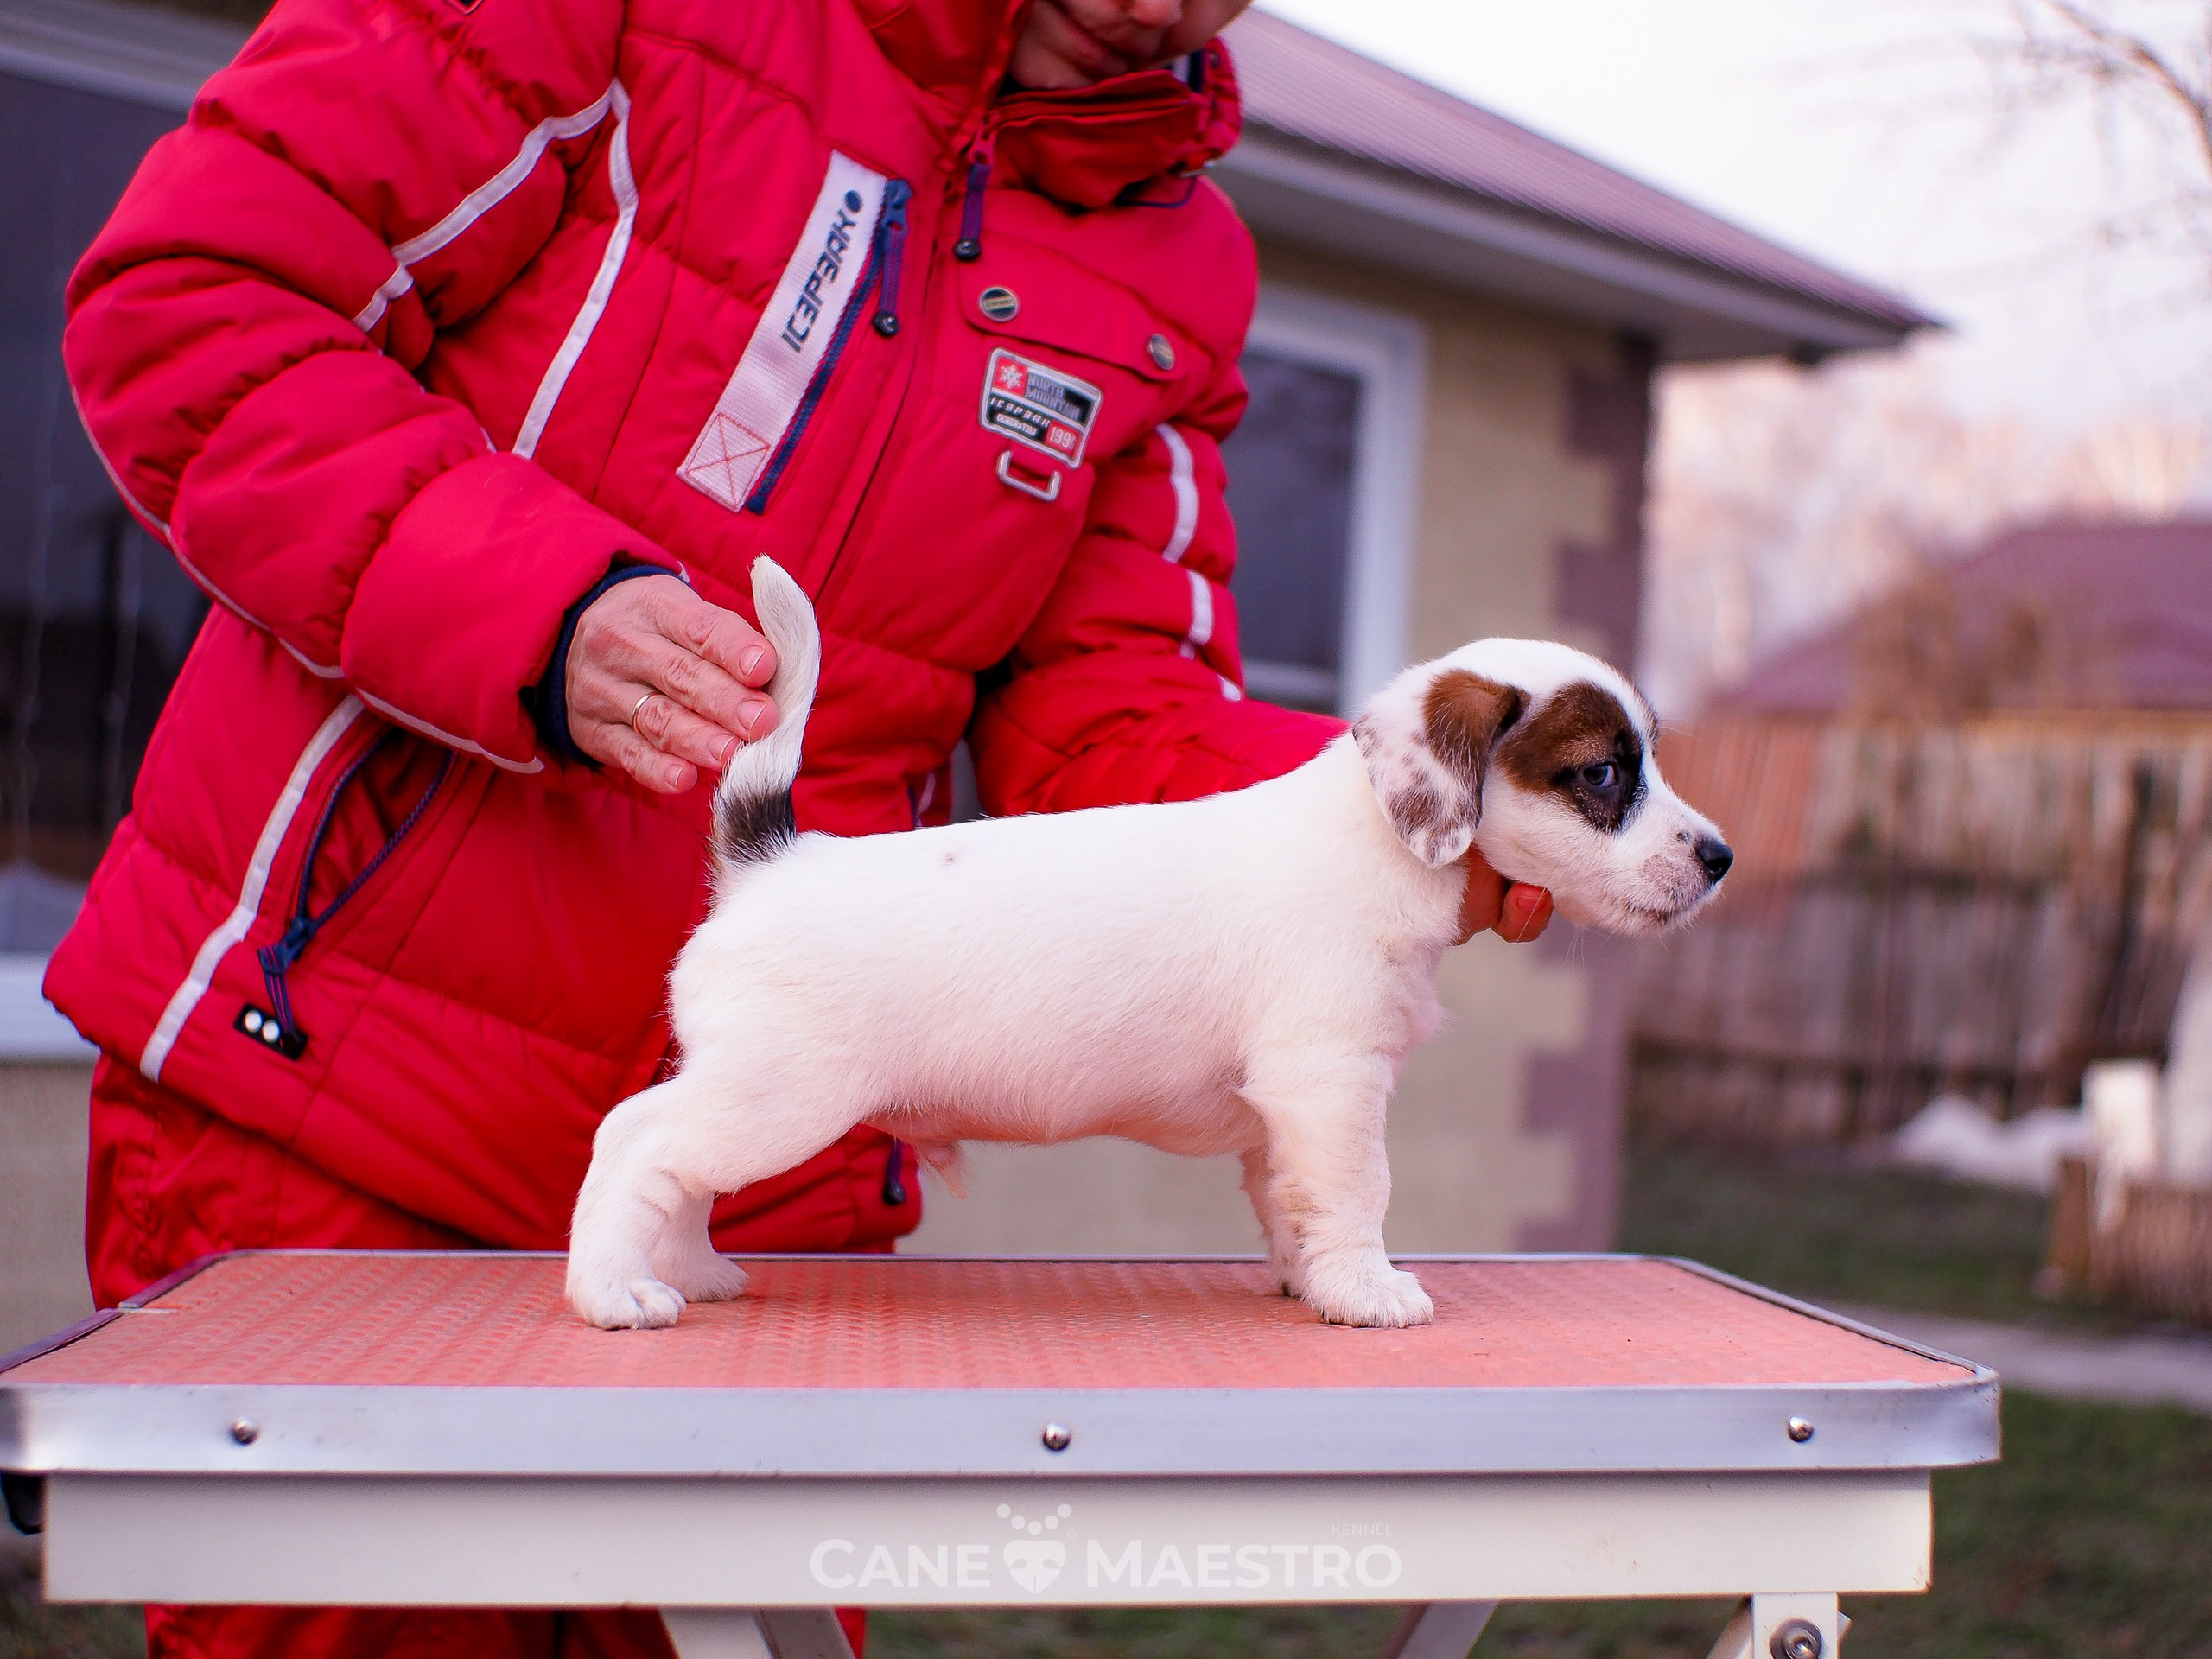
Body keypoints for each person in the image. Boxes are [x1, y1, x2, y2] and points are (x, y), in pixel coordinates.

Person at [51, 0, 1554, 1651]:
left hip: (769, 1207)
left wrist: (1401, 810)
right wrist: (527, 604)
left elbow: (1116, 719)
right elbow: (193, 298)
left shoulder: (1180, 267)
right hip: (332, 1112)